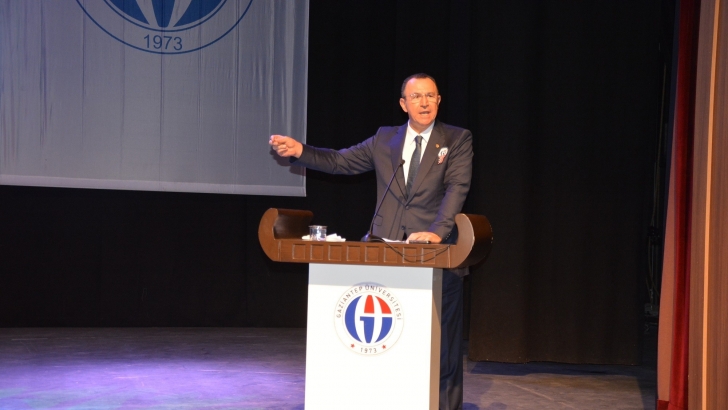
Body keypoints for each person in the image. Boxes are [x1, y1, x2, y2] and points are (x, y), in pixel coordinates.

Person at [269, 73, 472, 410]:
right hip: (384, 253)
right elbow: (339, 161)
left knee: (442, 346)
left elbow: (457, 187)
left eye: (430, 96)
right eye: (416, 97)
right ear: (403, 104)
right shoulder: (385, 139)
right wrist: (301, 151)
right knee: (391, 341)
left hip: (437, 255)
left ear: (438, 101)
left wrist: (437, 231)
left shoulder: (456, 139)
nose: (424, 102)